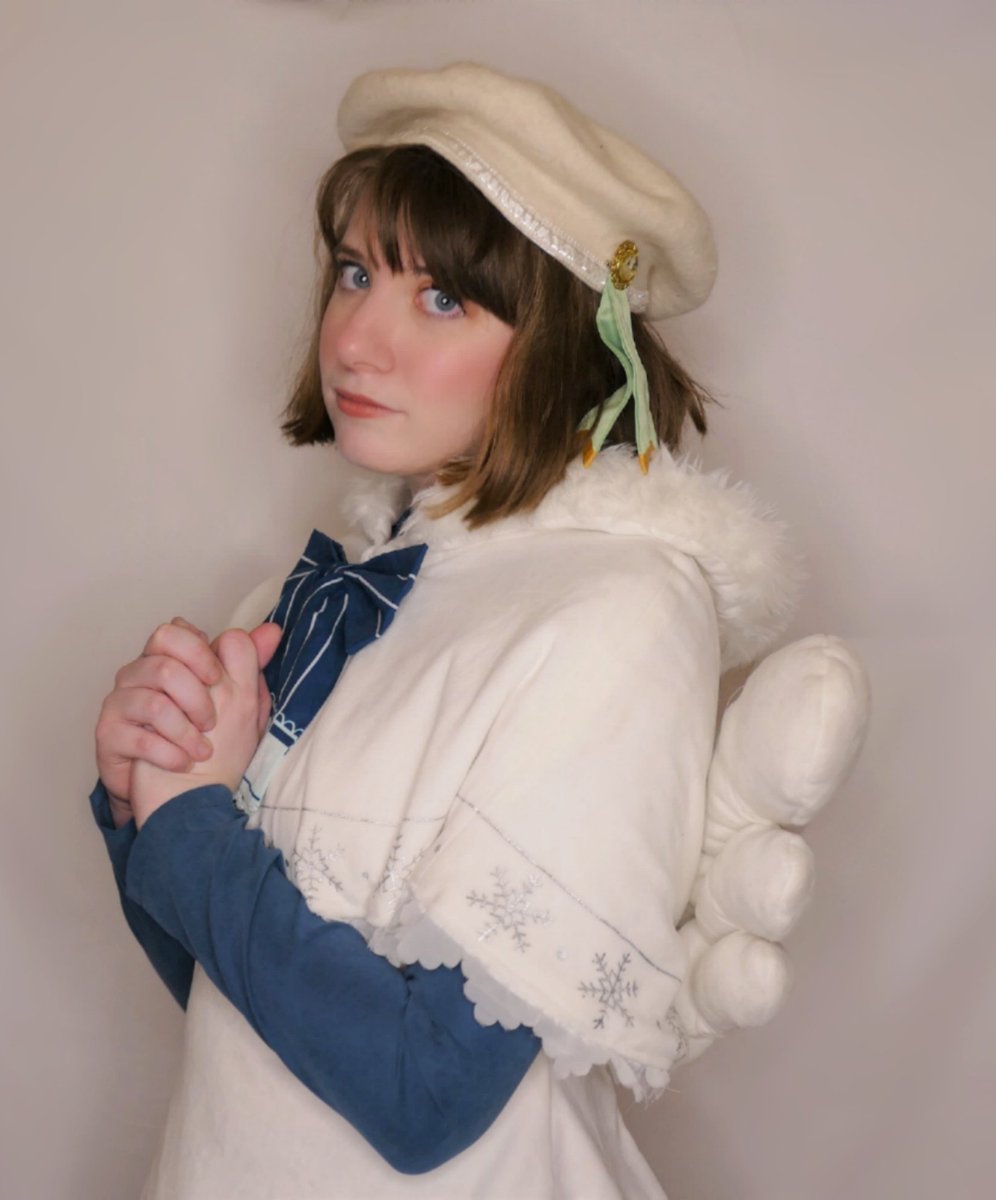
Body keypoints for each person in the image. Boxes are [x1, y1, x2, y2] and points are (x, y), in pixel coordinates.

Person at [91, 63, 801, 1198]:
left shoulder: (618, 609)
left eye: (441, 300)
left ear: (566, 342)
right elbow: (231, 1002)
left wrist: (190, 828)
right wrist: (150, 795)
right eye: (356, 272)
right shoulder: (323, 595)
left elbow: (425, 1094)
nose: (356, 342)